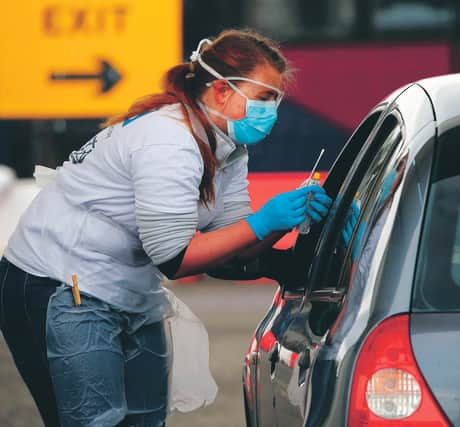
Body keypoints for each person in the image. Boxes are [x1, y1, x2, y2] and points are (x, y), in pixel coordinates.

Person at [0, 28, 331, 427]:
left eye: (276, 101)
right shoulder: (168, 141)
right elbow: (175, 258)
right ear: (223, 91)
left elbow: (227, 255)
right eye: (264, 98)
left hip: (124, 289)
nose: (272, 112)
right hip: (57, 285)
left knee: (144, 420)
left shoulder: (228, 146)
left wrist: (284, 225)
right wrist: (266, 220)